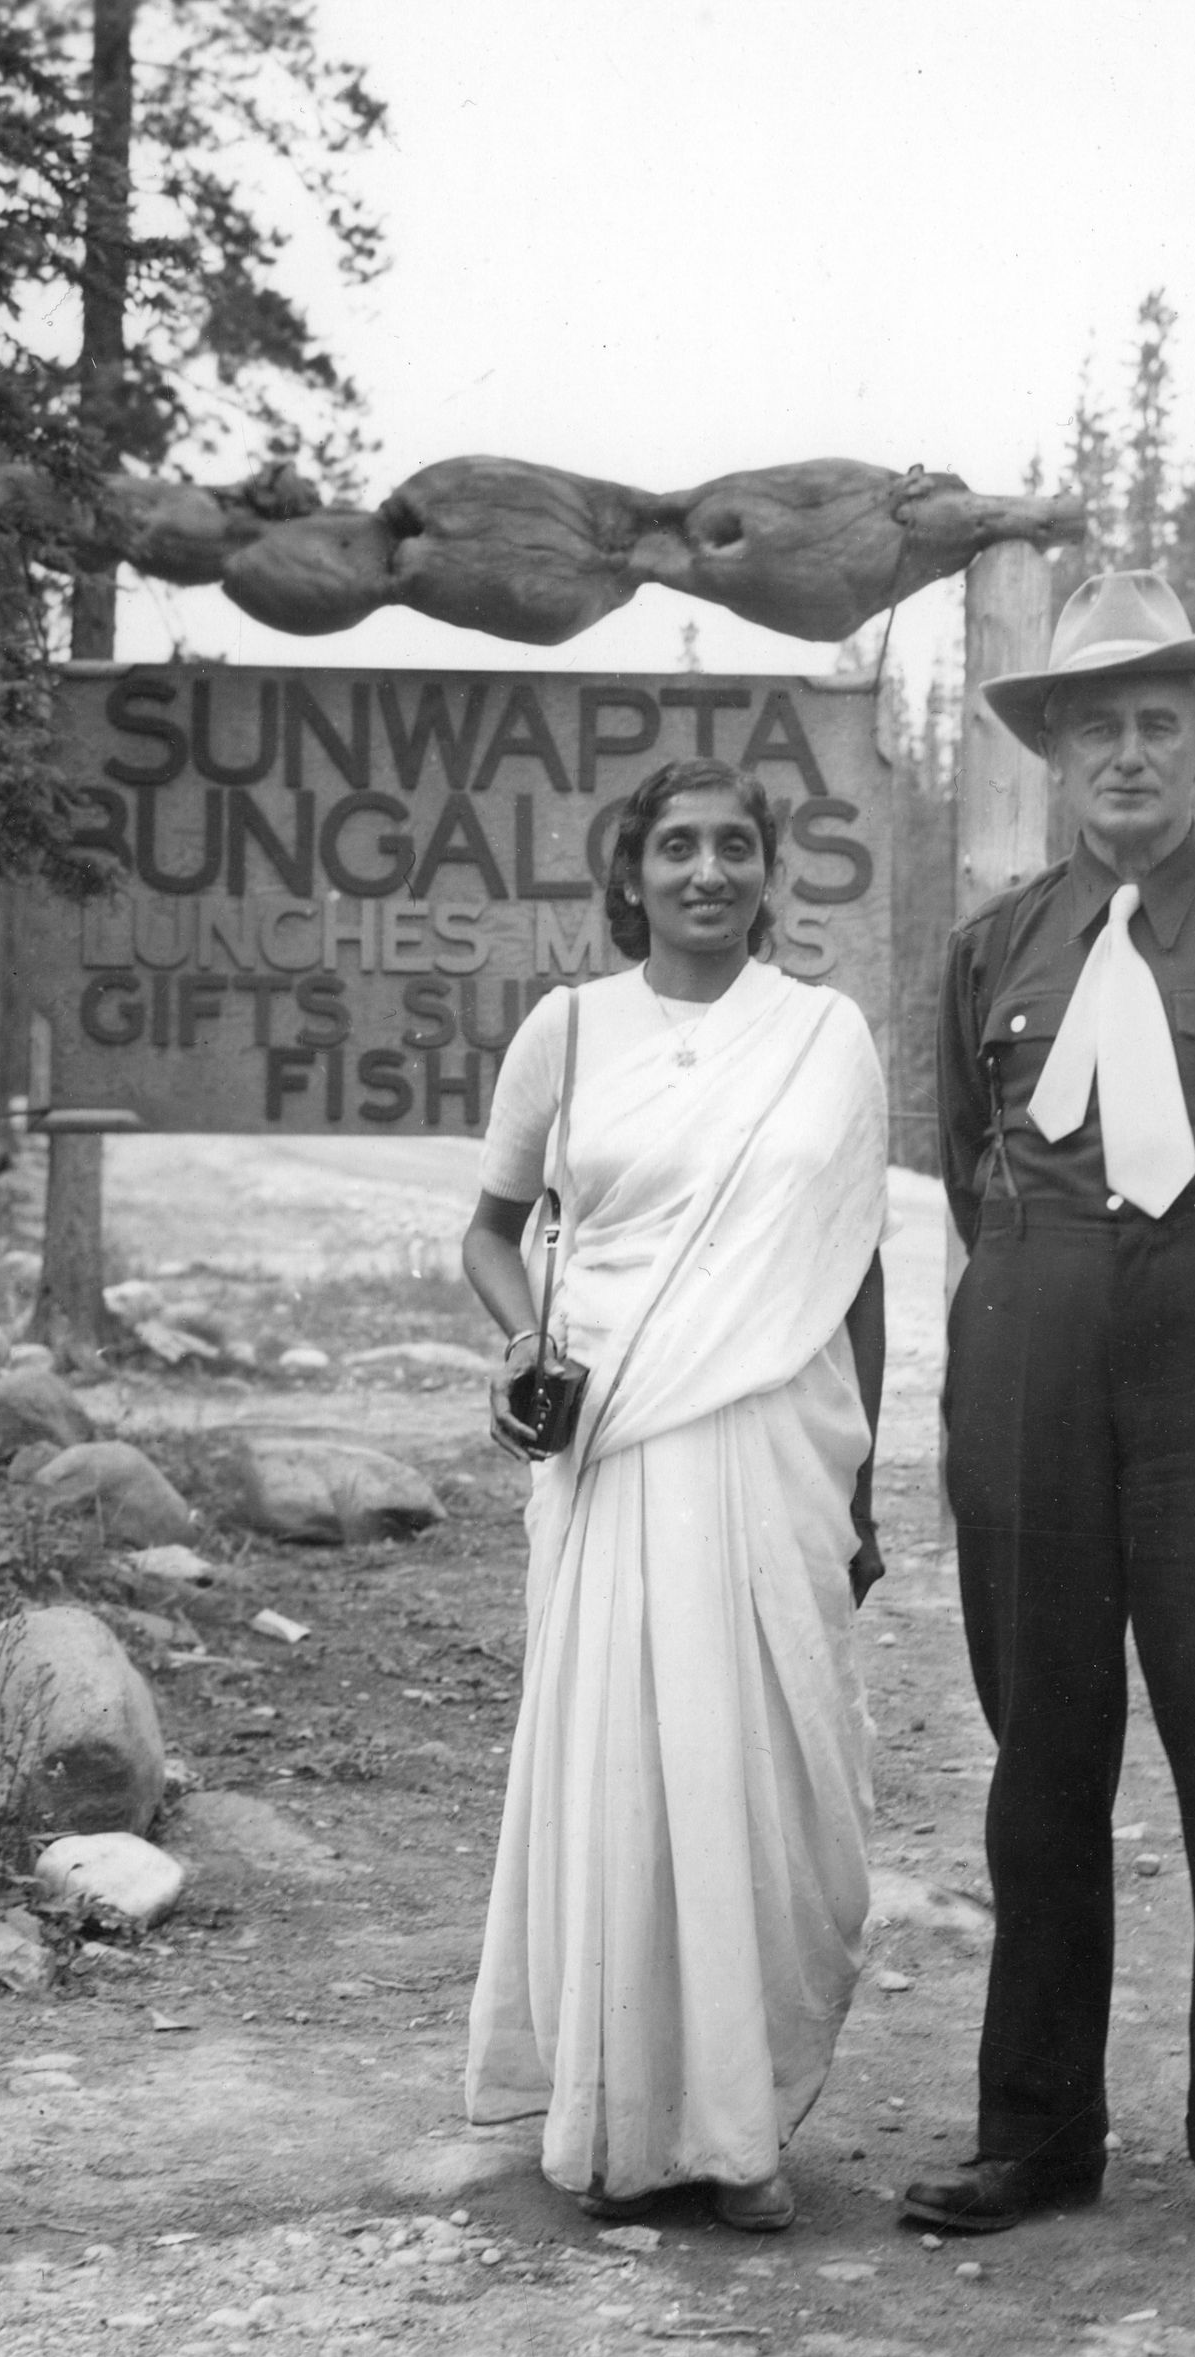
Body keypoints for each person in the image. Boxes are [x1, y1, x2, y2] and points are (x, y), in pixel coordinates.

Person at [904, 572, 1195, 2256]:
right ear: (1052, 753)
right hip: (1034, 1343)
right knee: (1043, 1746)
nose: (1126, 753)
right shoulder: (990, 952)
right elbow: (968, 1167)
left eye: (1158, 724)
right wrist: (1059, 1295)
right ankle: (1035, 2132)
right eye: (1094, 724)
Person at [459, 756, 888, 2234]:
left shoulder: (825, 1038)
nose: (706, 872)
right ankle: (615, 2125)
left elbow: (853, 1270)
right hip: (616, 1447)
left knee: (763, 1774)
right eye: (675, 848)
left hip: (774, 1448)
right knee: (625, 1760)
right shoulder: (570, 1031)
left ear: (773, 873)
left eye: (735, 848)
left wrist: (868, 1476)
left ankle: (741, 2125)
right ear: (629, 871)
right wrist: (526, 1340)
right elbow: (491, 1231)